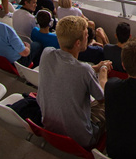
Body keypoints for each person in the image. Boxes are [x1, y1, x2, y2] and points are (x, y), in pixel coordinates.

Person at [38, 16, 112, 150]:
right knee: (111, 101)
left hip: (49, 126)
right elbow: (102, 98)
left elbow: (70, 68)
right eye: (86, 34)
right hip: (83, 138)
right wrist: (103, 72)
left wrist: (94, 68)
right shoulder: (84, 70)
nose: (88, 36)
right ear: (78, 43)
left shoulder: (46, 53)